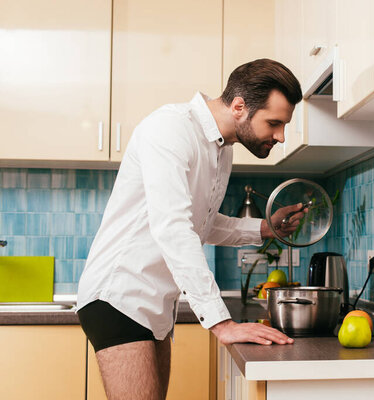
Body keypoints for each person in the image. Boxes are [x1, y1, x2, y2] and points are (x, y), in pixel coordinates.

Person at [76, 58, 304, 400]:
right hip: (118, 296)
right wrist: (221, 323)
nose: (281, 136)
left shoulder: (221, 150)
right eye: (274, 123)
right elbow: (173, 229)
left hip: (155, 305)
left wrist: (265, 228)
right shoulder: (169, 129)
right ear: (240, 106)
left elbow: (202, 225)